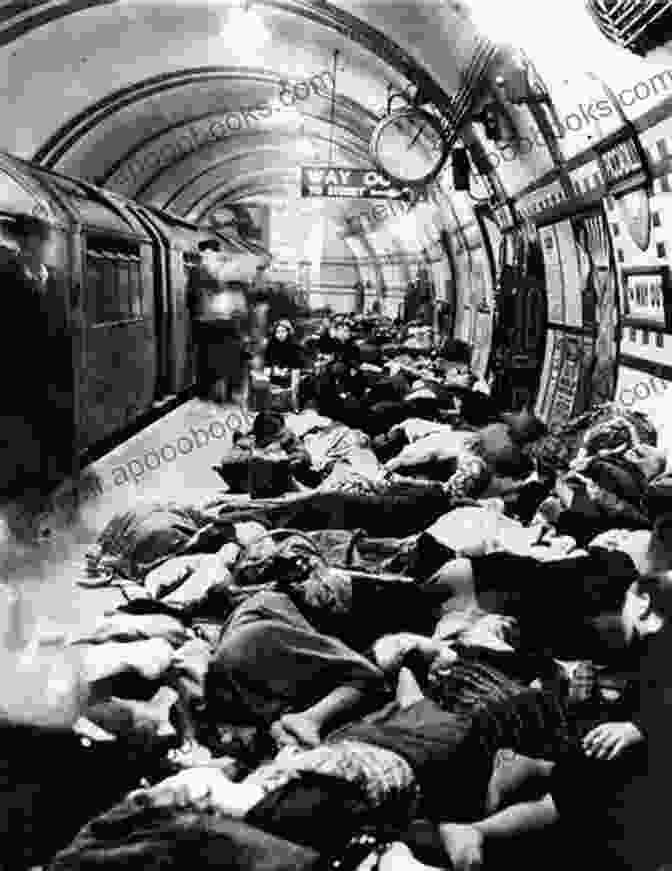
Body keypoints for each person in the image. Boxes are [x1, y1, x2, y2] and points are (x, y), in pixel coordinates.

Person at [188, 241, 250, 406]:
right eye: (204, 254)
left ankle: (228, 392)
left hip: (226, 324)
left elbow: (240, 300)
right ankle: (210, 393)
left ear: (215, 254)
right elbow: (192, 298)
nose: (206, 256)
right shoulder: (198, 272)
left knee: (228, 358)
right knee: (208, 358)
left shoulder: (225, 273)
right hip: (206, 323)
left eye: (209, 253)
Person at [263, 320, 304, 411]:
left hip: (291, 370)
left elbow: (297, 364)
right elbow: (268, 362)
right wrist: (273, 370)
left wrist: (286, 370)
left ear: (288, 332)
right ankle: (269, 403)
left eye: (283, 331)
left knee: (295, 379)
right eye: (278, 332)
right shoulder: (271, 345)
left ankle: (295, 404)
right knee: (265, 377)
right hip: (276, 371)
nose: (280, 334)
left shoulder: (294, 345)